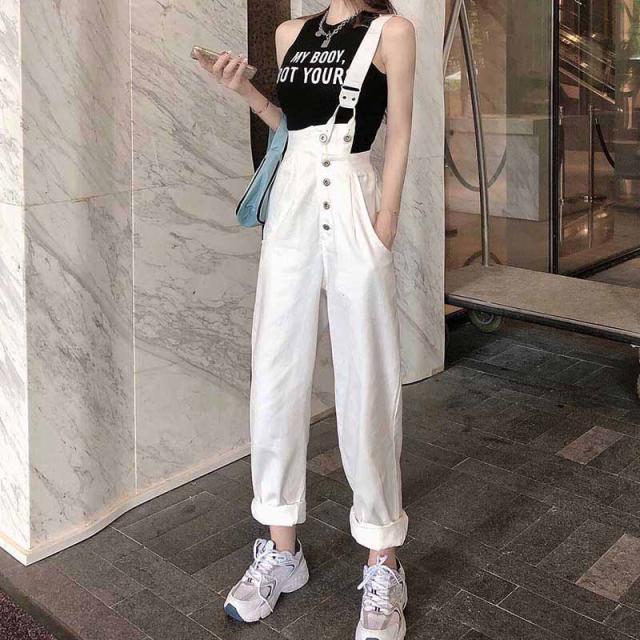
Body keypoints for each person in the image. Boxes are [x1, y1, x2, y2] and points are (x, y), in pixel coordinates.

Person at [196, 1, 416, 638]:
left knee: (367, 377)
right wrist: (245, 91)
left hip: (353, 200)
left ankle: (383, 560)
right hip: (293, 204)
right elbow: (289, 126)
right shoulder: (291, 31)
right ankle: (281, 550)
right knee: (276, 371)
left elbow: (401, 130)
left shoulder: (393, 32)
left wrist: (385, 224)